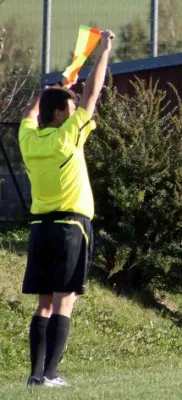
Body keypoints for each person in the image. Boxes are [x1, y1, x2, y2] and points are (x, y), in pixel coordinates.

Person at [19, 30, 115, 387]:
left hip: (39, 229)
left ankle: (34, 375)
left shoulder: (27, 139)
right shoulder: (67, 137)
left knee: (43, 303)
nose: (78, 112)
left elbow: (32, 111)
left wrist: (59, 84)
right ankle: (52, 374)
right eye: (70, 109)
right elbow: (93, 93)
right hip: (71, 229)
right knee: (65, 301)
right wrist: (103, 52)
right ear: (61, 114)